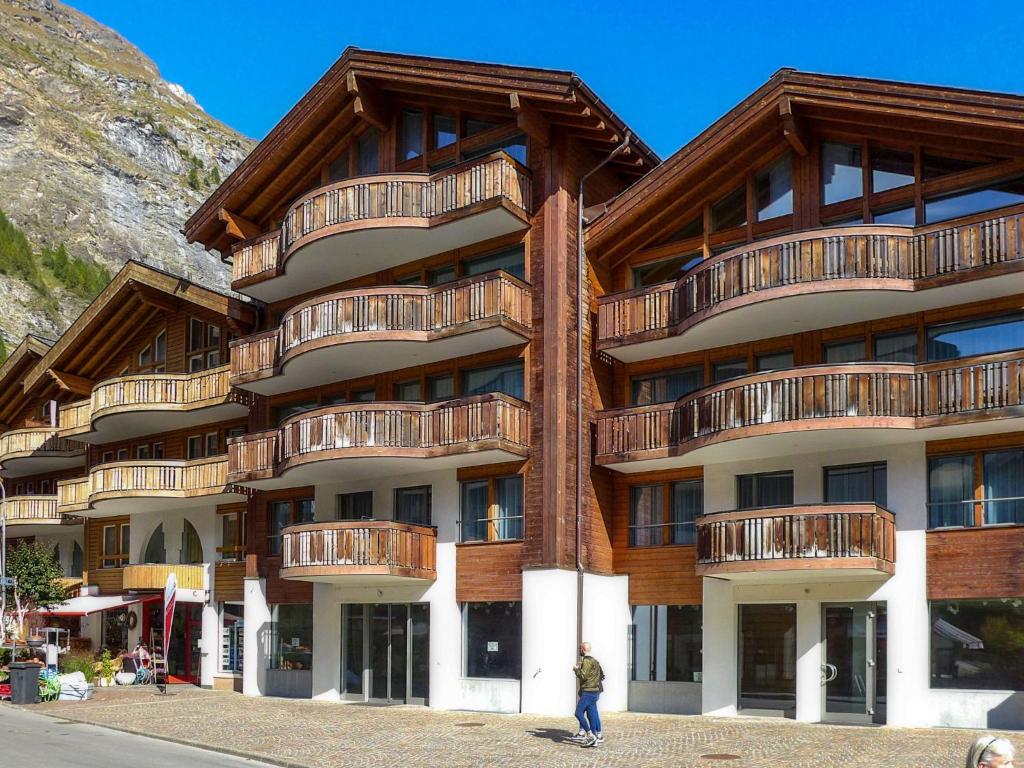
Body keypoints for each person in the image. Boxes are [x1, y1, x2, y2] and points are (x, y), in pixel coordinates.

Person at [570, 641, 604, 748]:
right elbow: (601, 676)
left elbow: (583, 676)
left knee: (578, 713)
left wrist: (576, 669)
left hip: (588, 692)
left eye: (580, 649)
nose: (579, 650)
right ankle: (595, 737)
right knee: (592, 715)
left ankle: (590, 735)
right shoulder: (595, 661)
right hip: (595, 691)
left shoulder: (587, 661)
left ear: (583, 650)